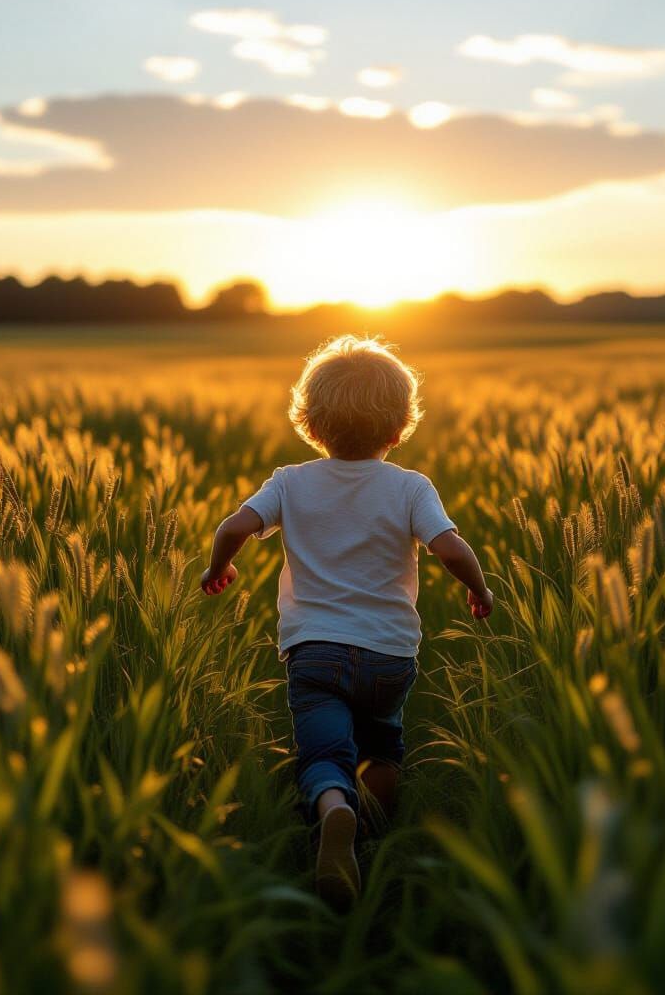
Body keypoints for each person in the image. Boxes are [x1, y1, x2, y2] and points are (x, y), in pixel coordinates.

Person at [200, 335, 493, 909]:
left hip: (315, 652)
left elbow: (232, 526)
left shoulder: (290, 481)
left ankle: (334, 809)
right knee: (382, 746)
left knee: (323, 752)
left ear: (311, 422)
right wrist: (478, 589)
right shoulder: (411, 487)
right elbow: (451, 549)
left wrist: (220, 567)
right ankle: (370, 842)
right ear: (398, 427)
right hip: (390, 653)